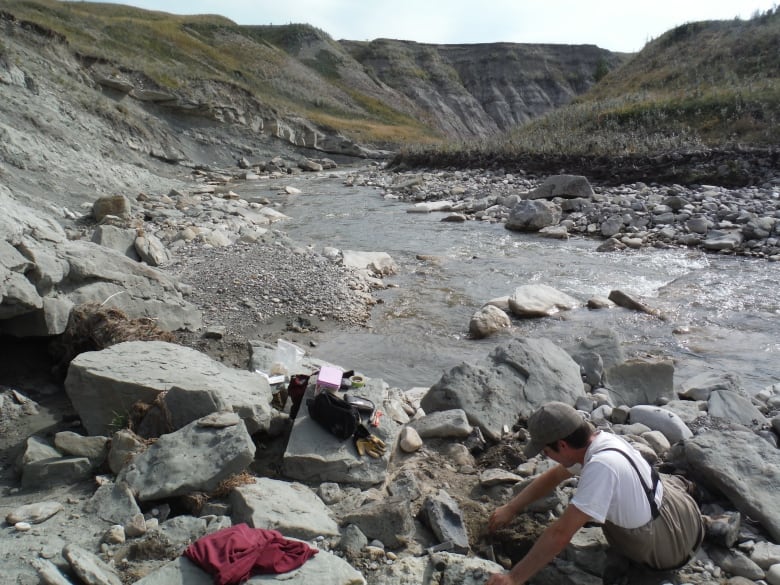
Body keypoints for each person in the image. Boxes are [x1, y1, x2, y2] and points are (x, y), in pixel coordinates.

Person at [486, 401, 703, 585]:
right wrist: (511, 508)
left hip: (668, 552)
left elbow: (561, 534)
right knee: (647, 479)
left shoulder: (601, 467)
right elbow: (554, 477)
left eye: (546, 451)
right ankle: (706, 519)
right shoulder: (602, 441)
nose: (547, 457)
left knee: (591, 501)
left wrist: (513, 578)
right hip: (685, 514)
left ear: (562, 444)